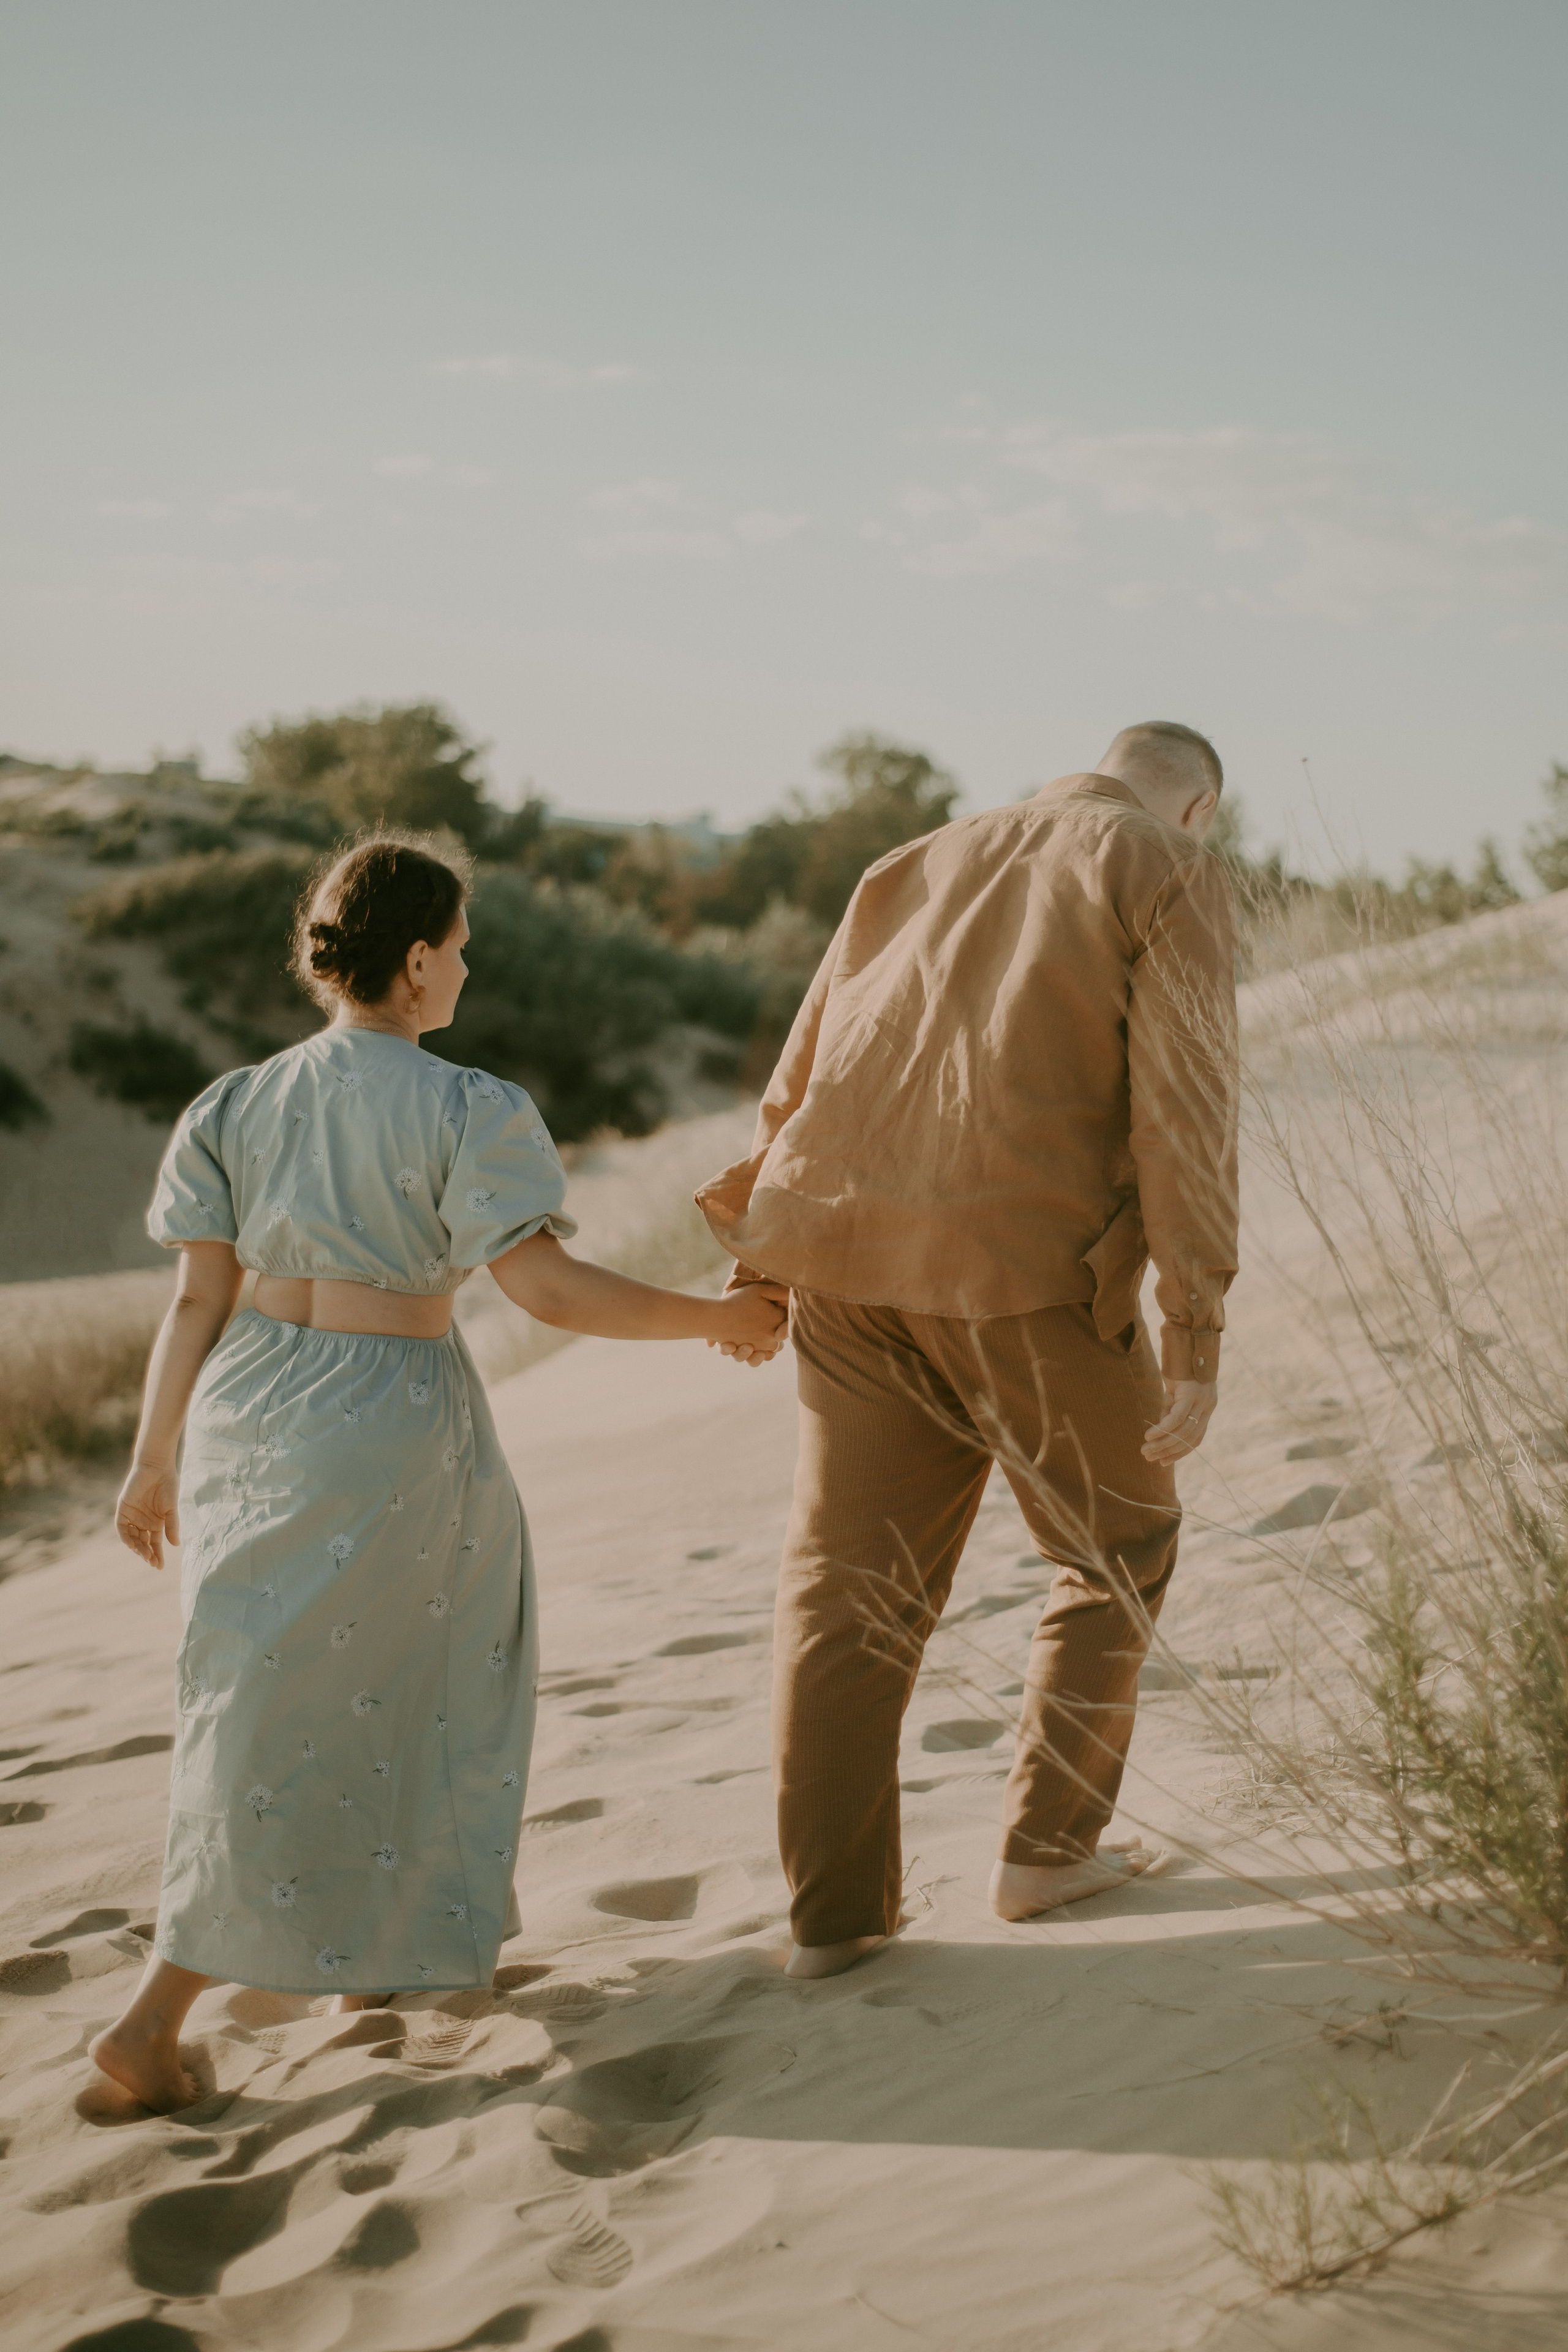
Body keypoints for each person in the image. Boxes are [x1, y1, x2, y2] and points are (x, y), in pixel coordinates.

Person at [91, 832, 786, 2111]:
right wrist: (719, 1319)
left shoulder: (233, 1102)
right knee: (403, 1685)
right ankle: (156, 2014)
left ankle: (370, 1963)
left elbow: (194, 1304)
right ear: (414, 961)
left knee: (256, 1693)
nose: (464, 971)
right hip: (385, 1419)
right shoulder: (468, 1108)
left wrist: (151, 1459)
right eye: (458, 949)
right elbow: (549, 1292)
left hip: (245, 1410)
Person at [697, 723, 1239, 1978]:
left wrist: (760, 1247)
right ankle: (1048, 1849)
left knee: (844, 1591)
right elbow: (1184, 1107)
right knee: (1118, 1547)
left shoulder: (909, 858)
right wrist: (1193, 1320)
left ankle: (830, 1922)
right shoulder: (1164, 866)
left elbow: (805, 1068)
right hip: (1023, 1273)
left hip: (841, 1259)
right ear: (1195, 808)